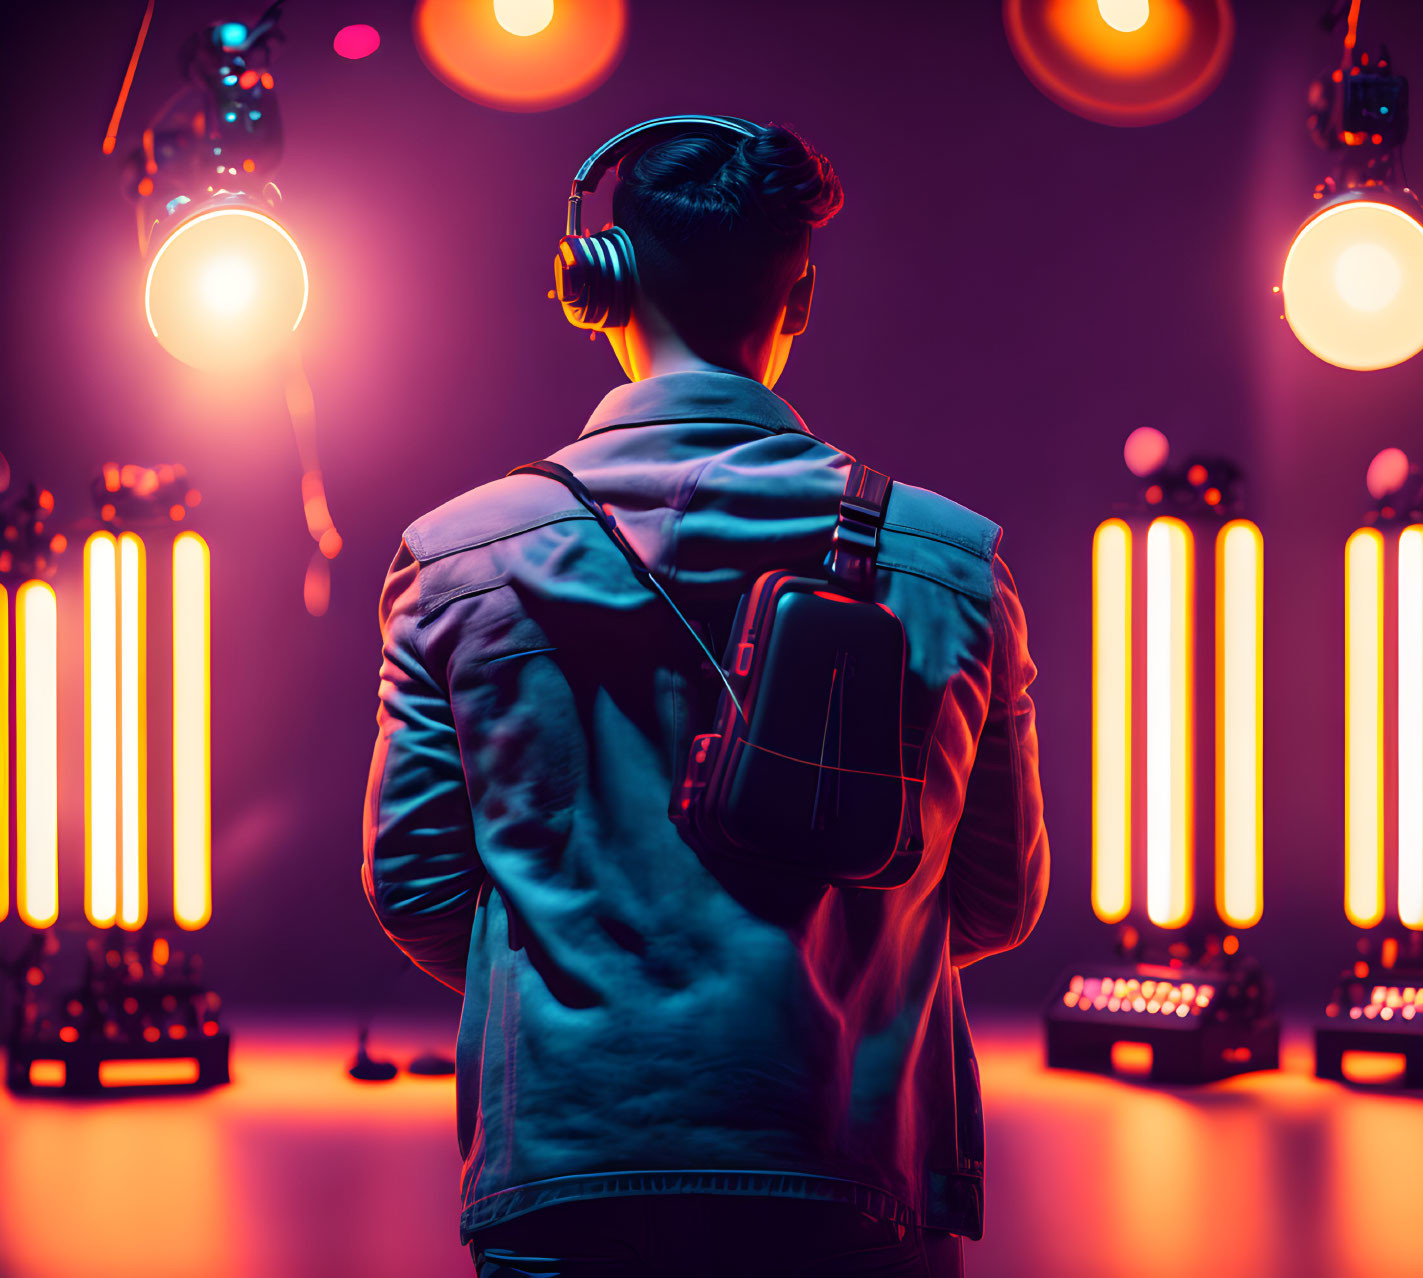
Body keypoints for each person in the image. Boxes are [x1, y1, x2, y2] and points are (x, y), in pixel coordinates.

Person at [363, 117, 1049, 1278]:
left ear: (599, 283)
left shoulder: (455, 555)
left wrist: (585, 974)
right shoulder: (951, 560)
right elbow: (993, 900)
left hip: (564, 1198)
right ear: (800, 300)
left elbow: (417, 888)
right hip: (857, 1192)